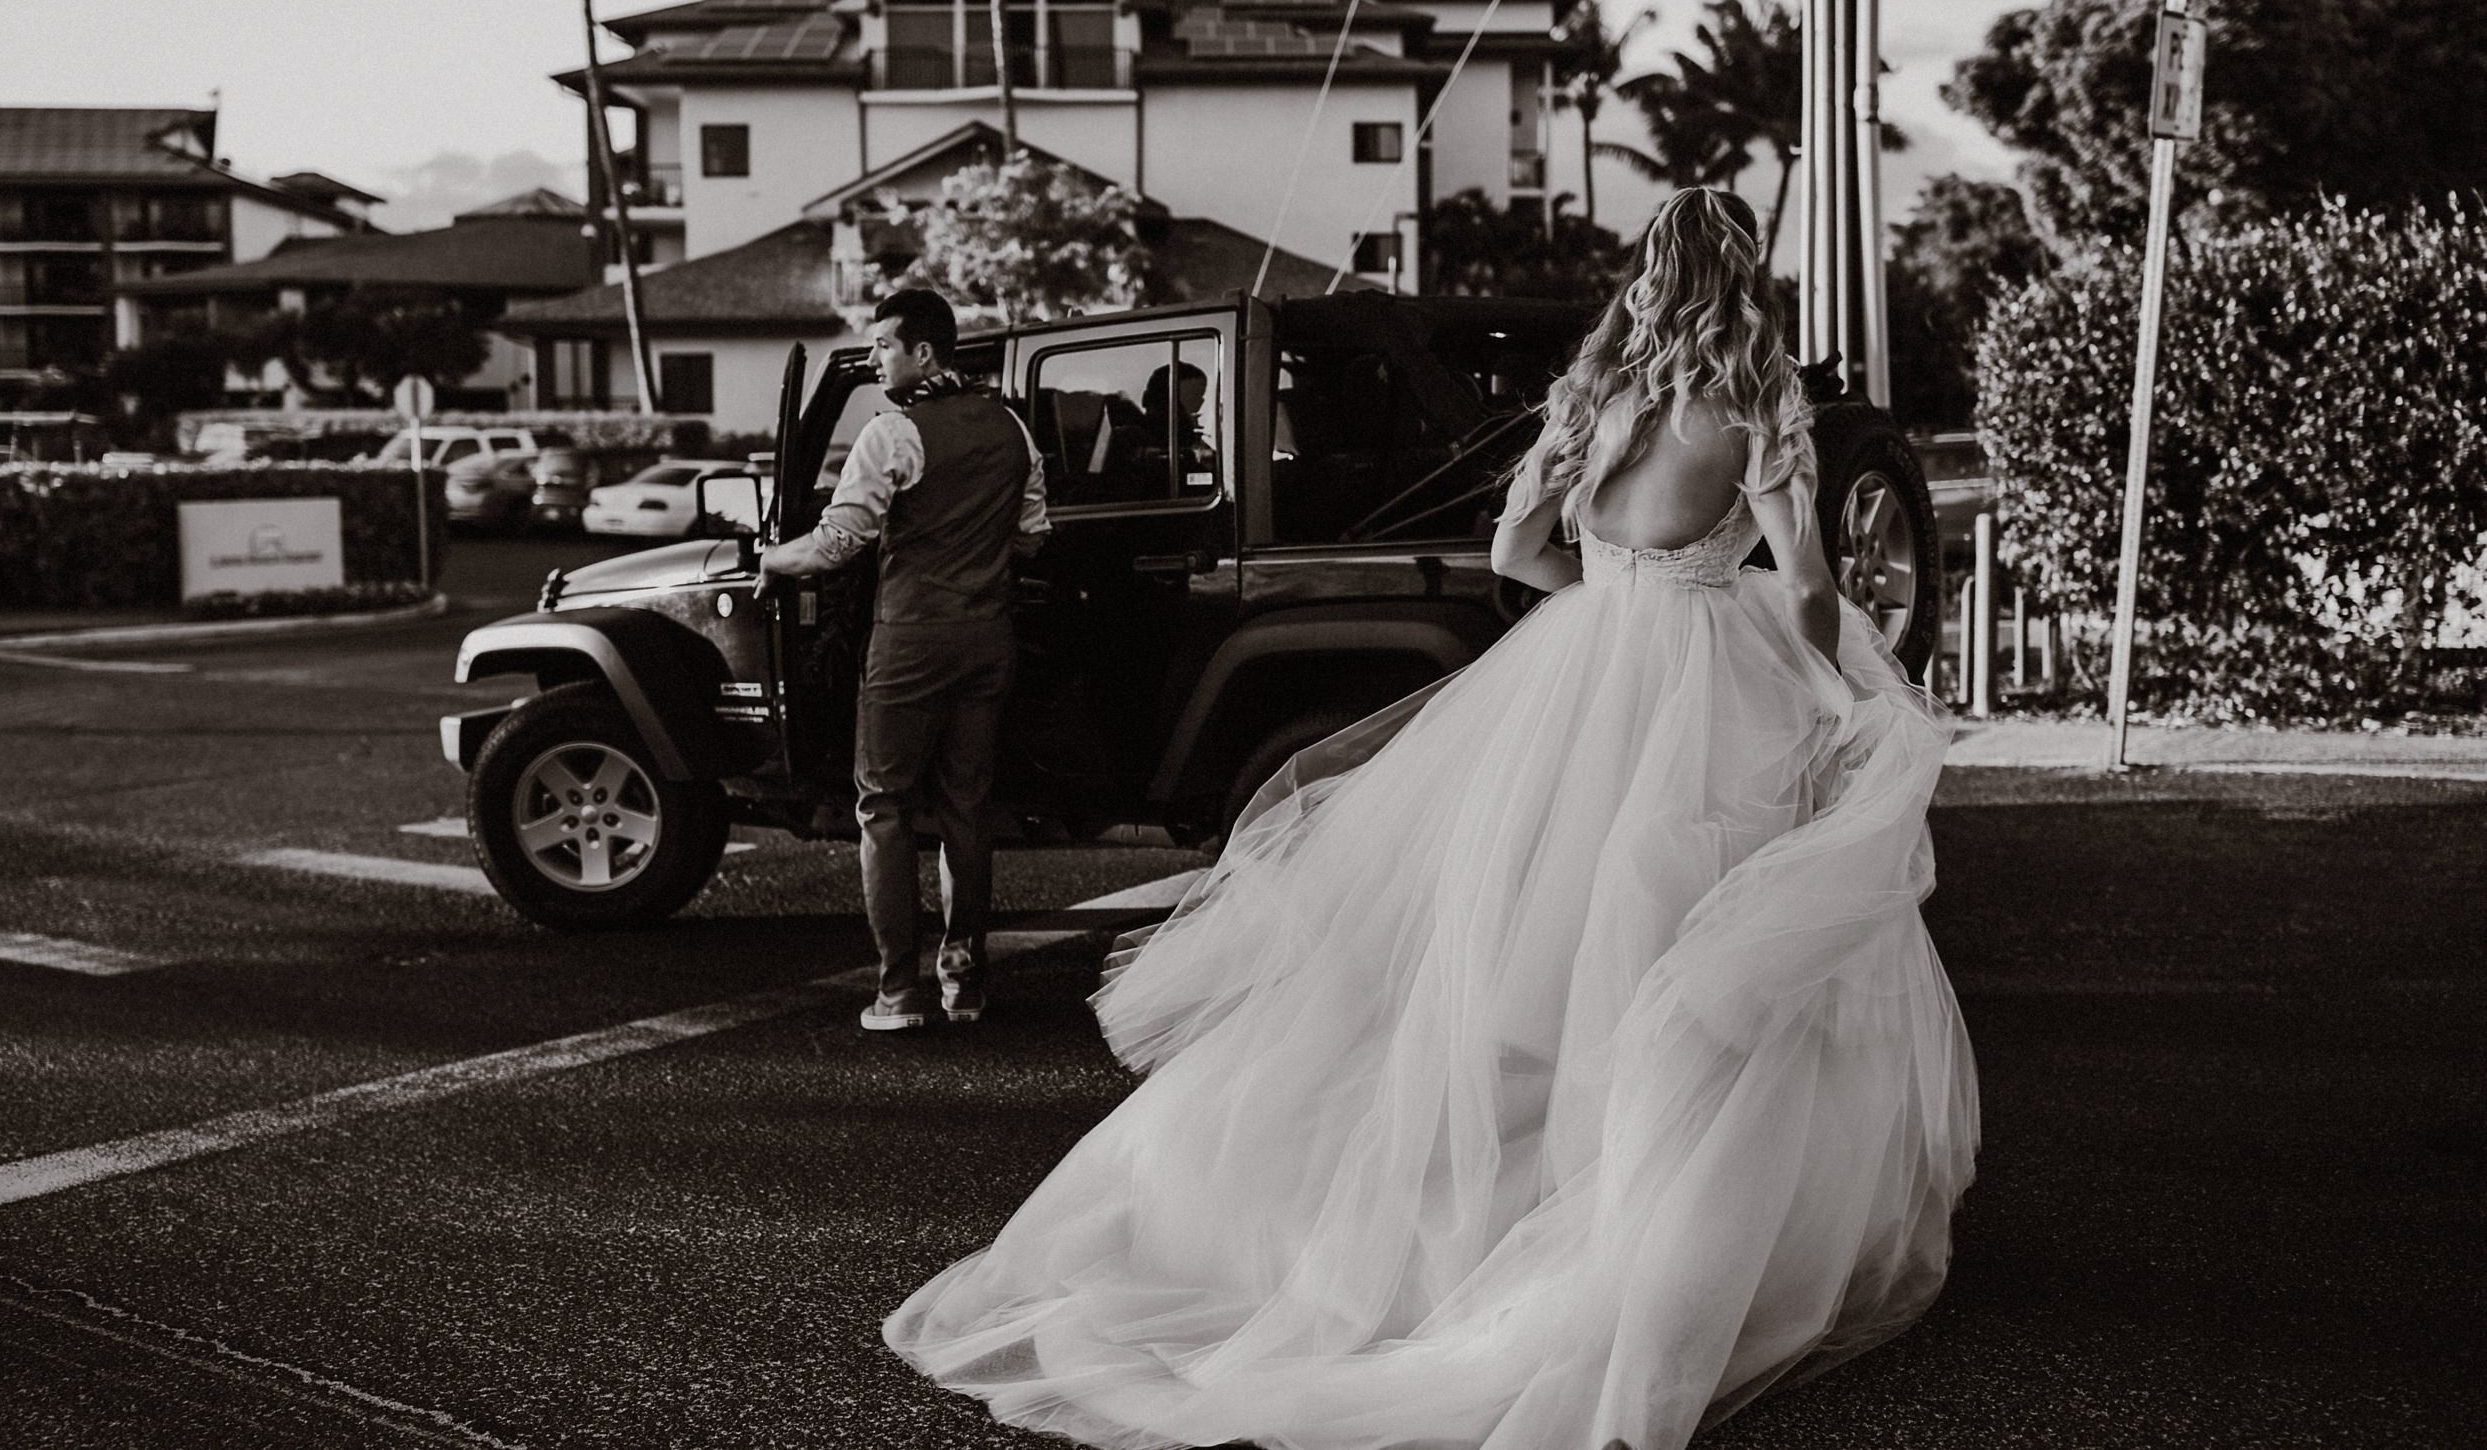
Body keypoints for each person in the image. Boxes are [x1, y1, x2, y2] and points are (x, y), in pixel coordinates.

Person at [880, 190, 1978, 1448]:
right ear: (1743, 274)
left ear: (1650, 270)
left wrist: (1612, 593)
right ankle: (1644, 1231)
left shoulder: (1598, 389)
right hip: (1699, 682)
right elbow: (1814, 588)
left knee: (1532, 953)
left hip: (1580, 671)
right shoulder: (1755, 392)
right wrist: (1821, 681)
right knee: (1694, 955)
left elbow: (1516, 550)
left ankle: (1470, 1221)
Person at [756, 287, 1049, 1033]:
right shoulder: (1013, 427)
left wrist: (774, 557)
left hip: (911, 640)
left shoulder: (893, 435)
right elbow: (1033, 535)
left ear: (923, 352)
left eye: (884, 344)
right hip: (988, 640)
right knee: (966, 808)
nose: (876, 356)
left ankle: (897, 994)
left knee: (884, 808)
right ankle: (966, 983)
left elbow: (838, 542)